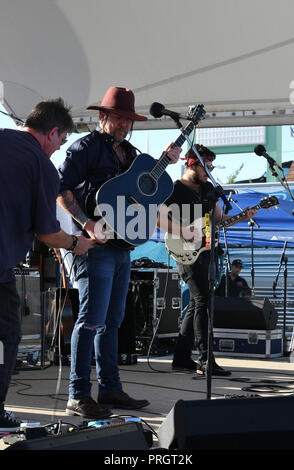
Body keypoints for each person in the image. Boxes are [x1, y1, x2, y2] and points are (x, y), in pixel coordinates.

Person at [57, 86, 181, 419]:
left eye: (129, 119)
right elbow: (61, 190)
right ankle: (78, 394)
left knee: (112, 321)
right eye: (119, 118)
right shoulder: (83, 148)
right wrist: (86, 224)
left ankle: (110, 388)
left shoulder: (131, 153)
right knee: (91, 320)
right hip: (95, 246)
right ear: (102, 116)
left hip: (123, 246)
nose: (124, 125)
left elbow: (141, 196)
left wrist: (164, 164)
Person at [0, 98, 95, 432]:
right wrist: (77, 243)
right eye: (62, 140)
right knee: (6, 334)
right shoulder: (40, 163)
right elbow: (48, 232)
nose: (59, 148)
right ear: (53, 132)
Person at [157, 144, 257, 376]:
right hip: (185, 250)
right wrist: (184, 231)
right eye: (205, 166)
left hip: (208, 251)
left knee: (195, 303)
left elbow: (220, 220)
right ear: (190, 163)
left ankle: (181, 358)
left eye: (210, 166)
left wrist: (243, 217)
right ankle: (205, 359)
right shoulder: (173, 190)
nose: (208, 170)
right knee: (202, 301)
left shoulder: (210, 190)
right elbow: (158, 218)